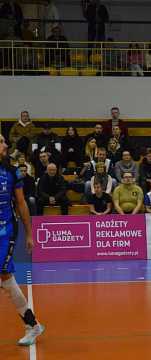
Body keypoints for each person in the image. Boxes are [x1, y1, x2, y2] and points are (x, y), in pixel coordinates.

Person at [0, 134, 44, 346]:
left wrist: (29, 233)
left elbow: (21, 203)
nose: (5, 144)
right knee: (7, 281)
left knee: (4, 275)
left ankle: (32, 326)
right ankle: (33, 325)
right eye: (0, 141)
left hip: (5, 231)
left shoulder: (11, 171)